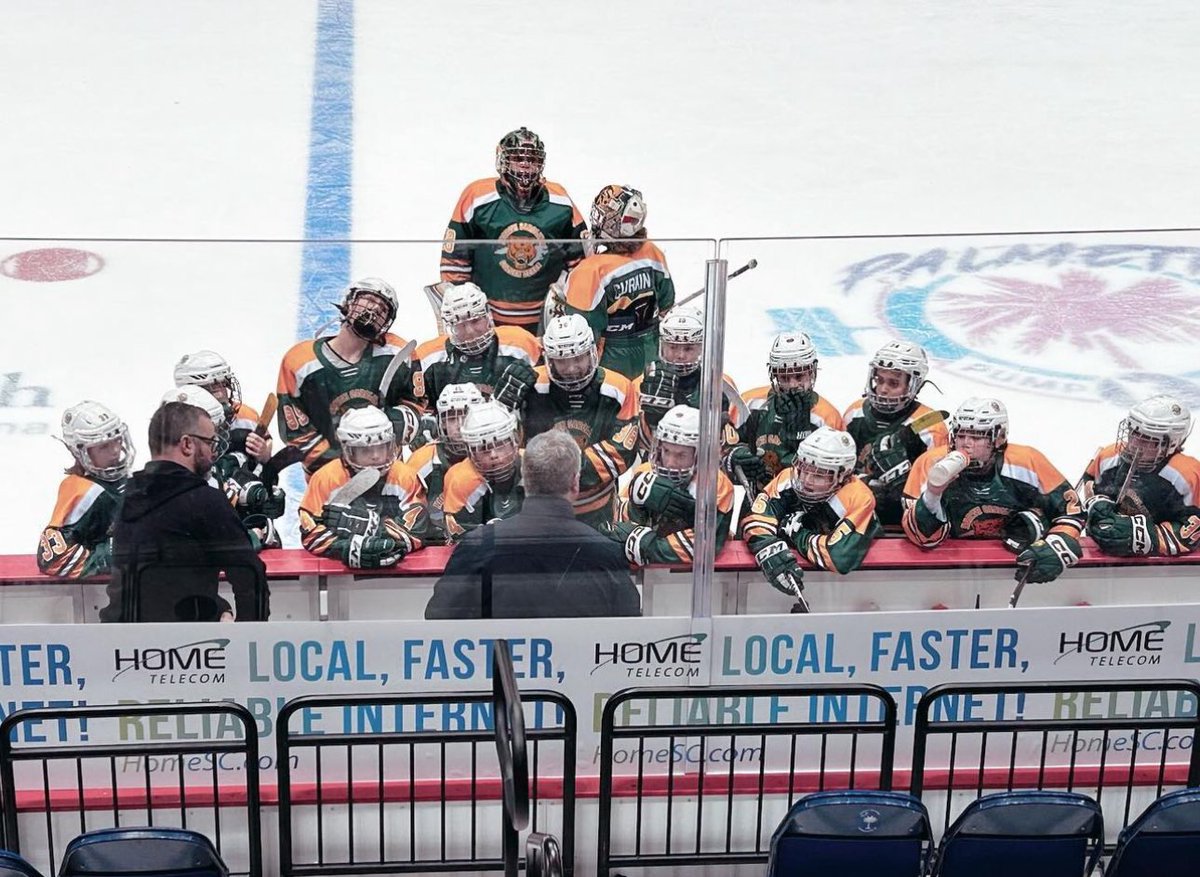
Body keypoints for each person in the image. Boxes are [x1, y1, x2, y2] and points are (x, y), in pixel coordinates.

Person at [425, 430, 641, 618]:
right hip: (581, 665)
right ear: (575, 483)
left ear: (525, 479)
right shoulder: (605, 553)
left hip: (499, 664)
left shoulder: (478, 546)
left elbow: (439, 616)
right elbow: (628, 629)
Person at [102, 401, 269, 623]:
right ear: (187, 444)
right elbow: (250, 580)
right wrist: (246, 643)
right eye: (210, 442)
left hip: (121, 644)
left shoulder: (129, 497)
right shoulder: (205, 501)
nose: (213, 453)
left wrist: (219, 606)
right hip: (187, 649)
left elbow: (157, 586)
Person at [902, 397, 1084, 585]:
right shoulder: (929, 463)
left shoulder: (1028, 462)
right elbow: (922, 538)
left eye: (977, 436)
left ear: (999, 438)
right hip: (950, 569)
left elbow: (1071, 512)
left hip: (1013, 562)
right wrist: (933, 493)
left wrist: (1059, 544)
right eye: (961, 435)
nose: (966, 444)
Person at [439, 127, 587, 329]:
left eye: (532, 160)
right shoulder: (476, 197)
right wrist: (463, 310)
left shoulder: (560, 200)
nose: (526, 166)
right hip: (487, 319)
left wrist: (568, 302)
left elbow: (581, 263)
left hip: (547, 320)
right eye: (518, 158)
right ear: (502, 160)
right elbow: (454, 261)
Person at [277, 277, 422, 478]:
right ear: (348, 302)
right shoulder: (300, 361)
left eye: (382, 310)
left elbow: (416, 406)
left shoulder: (398, 354)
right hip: (329, 476)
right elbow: (297, 434)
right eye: (369, 301)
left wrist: (384, 428)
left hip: (385, 470)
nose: (373, 311)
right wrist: (344, 466)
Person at [517, 314, 640, 528]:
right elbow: (506, 447)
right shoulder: (530, 385)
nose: (572, 368)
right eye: (562, 361)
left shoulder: (618, 387)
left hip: (598, 508)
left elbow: (623, 451)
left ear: (593, 351)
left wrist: (550, 472)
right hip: (541, 509)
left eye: (578, 358)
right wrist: (500, 403)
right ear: (550, 360)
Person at [743, 427, 882, 611]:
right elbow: (756, 519)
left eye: (818, 475)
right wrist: (768, 547)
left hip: (848, 593)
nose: (807, 480)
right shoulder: (788, 478)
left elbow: (838, 556)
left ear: (842, 475)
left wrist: (798, 533)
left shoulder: (858, 497)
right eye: (803, 469)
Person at [558, 184, 674, 379]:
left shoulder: (590, 271)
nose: (599, 220)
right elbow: (667, 303)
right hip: (650, 349)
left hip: (611, 356)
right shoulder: (651, 251)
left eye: (607, 216)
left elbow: (582, 330)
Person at [725, 332, 844, 508]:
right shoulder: (751, 403)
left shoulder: (826, 417)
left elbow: (833, 478)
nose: (792, 385)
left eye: (799, 376)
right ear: (774, 375)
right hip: (757, 501)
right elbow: (723, 451)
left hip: (810, 508)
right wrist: (734, 457)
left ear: (812, 371)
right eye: (784, 377)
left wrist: (797, 437)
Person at [299, 406, 428, 569]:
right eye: (366, 449)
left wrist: (367, 526)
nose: (375, 456)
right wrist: (348, 549)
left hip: (401, 575)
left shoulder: (406, 476)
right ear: (348, 449)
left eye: (381, 447)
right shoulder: (325, 479)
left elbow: (416, 531)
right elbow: (310, 533)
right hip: (339, 576)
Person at [608, 405, 734, 565]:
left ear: (700, 455)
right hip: (650, 578)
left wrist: (644, 544)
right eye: (666, 451)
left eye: (681, 455)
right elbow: (618, 525)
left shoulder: (717, 486)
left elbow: (700, 547)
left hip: (695, 580)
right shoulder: (645, 472)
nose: (670, 462)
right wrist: (636, 506)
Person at [162, 386, 284, 551]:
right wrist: (252, 536)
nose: (217, 441)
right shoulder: (173, 488)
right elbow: (210, 547)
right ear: (186, 441)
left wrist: (261, 500)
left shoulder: (212, 468)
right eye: (211, 435)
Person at [843, 340, 949, 527]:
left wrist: (898, 479)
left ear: (913, 385)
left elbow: (932, 496)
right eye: (880, 380)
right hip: (854, 511)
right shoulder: (855, 413)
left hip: (901, 519)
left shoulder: (930, 428)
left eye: (893, 383)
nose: (883, 389)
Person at [1079, 394, 1200, 557]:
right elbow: (1090, 491)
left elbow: (1192, 530)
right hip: (1108, 554)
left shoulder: (1187, 475)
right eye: (1134, 434)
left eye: (1148, 440)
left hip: (1160, 567)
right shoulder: (1109, 456)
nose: (1135, 444)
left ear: (1172, 443)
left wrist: (1141, 536)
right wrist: (1099, 512)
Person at [414, 282, 541, 422]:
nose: (469, 331)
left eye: (475, 321)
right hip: (454, 438)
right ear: (449, 326)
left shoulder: (520, 343)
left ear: (488, 316)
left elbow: (549, 393)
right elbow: (419, 409)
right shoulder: (429, 357)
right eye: (460, 325)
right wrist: (427, 426)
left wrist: (527, 396)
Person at [38, 401, 133, 578]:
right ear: (78, 452)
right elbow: (53, 559)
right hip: (102, 598)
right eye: (103, 446)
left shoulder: (127, 480)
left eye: (117, 440)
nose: (115, 451)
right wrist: (114, 554)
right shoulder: (82, 491)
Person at [633, 305, 744, 456]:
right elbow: (632, 442)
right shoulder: (641, 384)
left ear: (702, 349)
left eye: (688, 348)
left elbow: (734, 442)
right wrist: (651, 419)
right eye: (673, 347)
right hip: (655, 466)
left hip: (704, 469)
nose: (680, 355)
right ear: (662, 346)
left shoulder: (722, 384)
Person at [409, 383, 485, 544]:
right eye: (451, 418)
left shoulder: (493, 455)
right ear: (441, 422)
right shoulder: (421, 459)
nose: (459, 424)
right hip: (433, 546)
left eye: (466, 415)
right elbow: (410, 515)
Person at [441, 400, 525, 541]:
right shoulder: (460, 479)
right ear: (470, 452)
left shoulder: (534, 466)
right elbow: (458, 534)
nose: (493, 455)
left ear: (515, 441)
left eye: (499, 445)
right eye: (483, 449)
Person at [174, 349, 272, 467]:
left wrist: (263, 454)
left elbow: (267, 449)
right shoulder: (179, 422)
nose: (221, 394)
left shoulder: (246, 416)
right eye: (211, 388)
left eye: (224, 384)